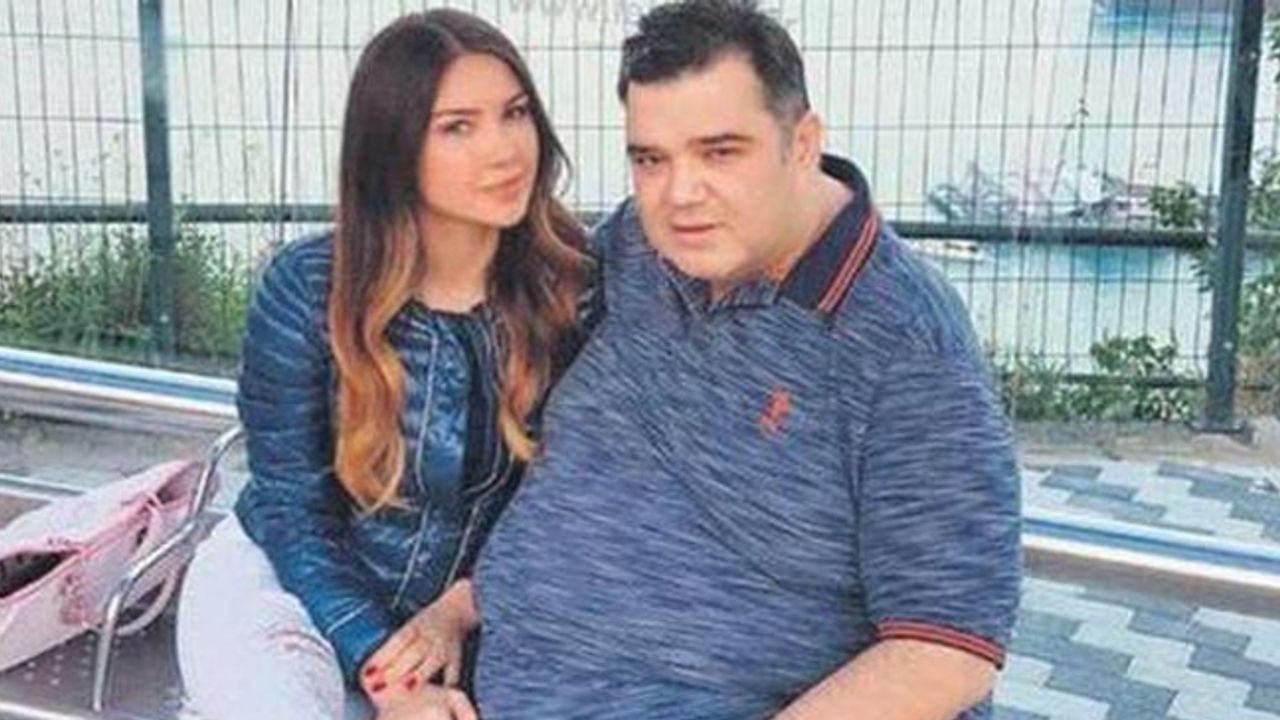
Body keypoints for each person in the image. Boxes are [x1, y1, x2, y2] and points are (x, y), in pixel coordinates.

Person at [469, 1, 1023, 718]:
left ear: (803, 143)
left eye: (720, 152)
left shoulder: (902, 340)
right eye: (651, 159)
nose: (680, 195)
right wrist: (462, 605)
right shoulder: (640, 246)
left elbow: (948, 649)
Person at [175, 9, 588, 720]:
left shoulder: (571, 291)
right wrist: (386, 669)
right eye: (457, 127)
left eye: (515, 113)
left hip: (467, 622)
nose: (504, 151)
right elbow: (291, 511)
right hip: (287, 589)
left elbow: (572, 500)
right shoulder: (310, 287)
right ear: (394, 149)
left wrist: (458, 613)